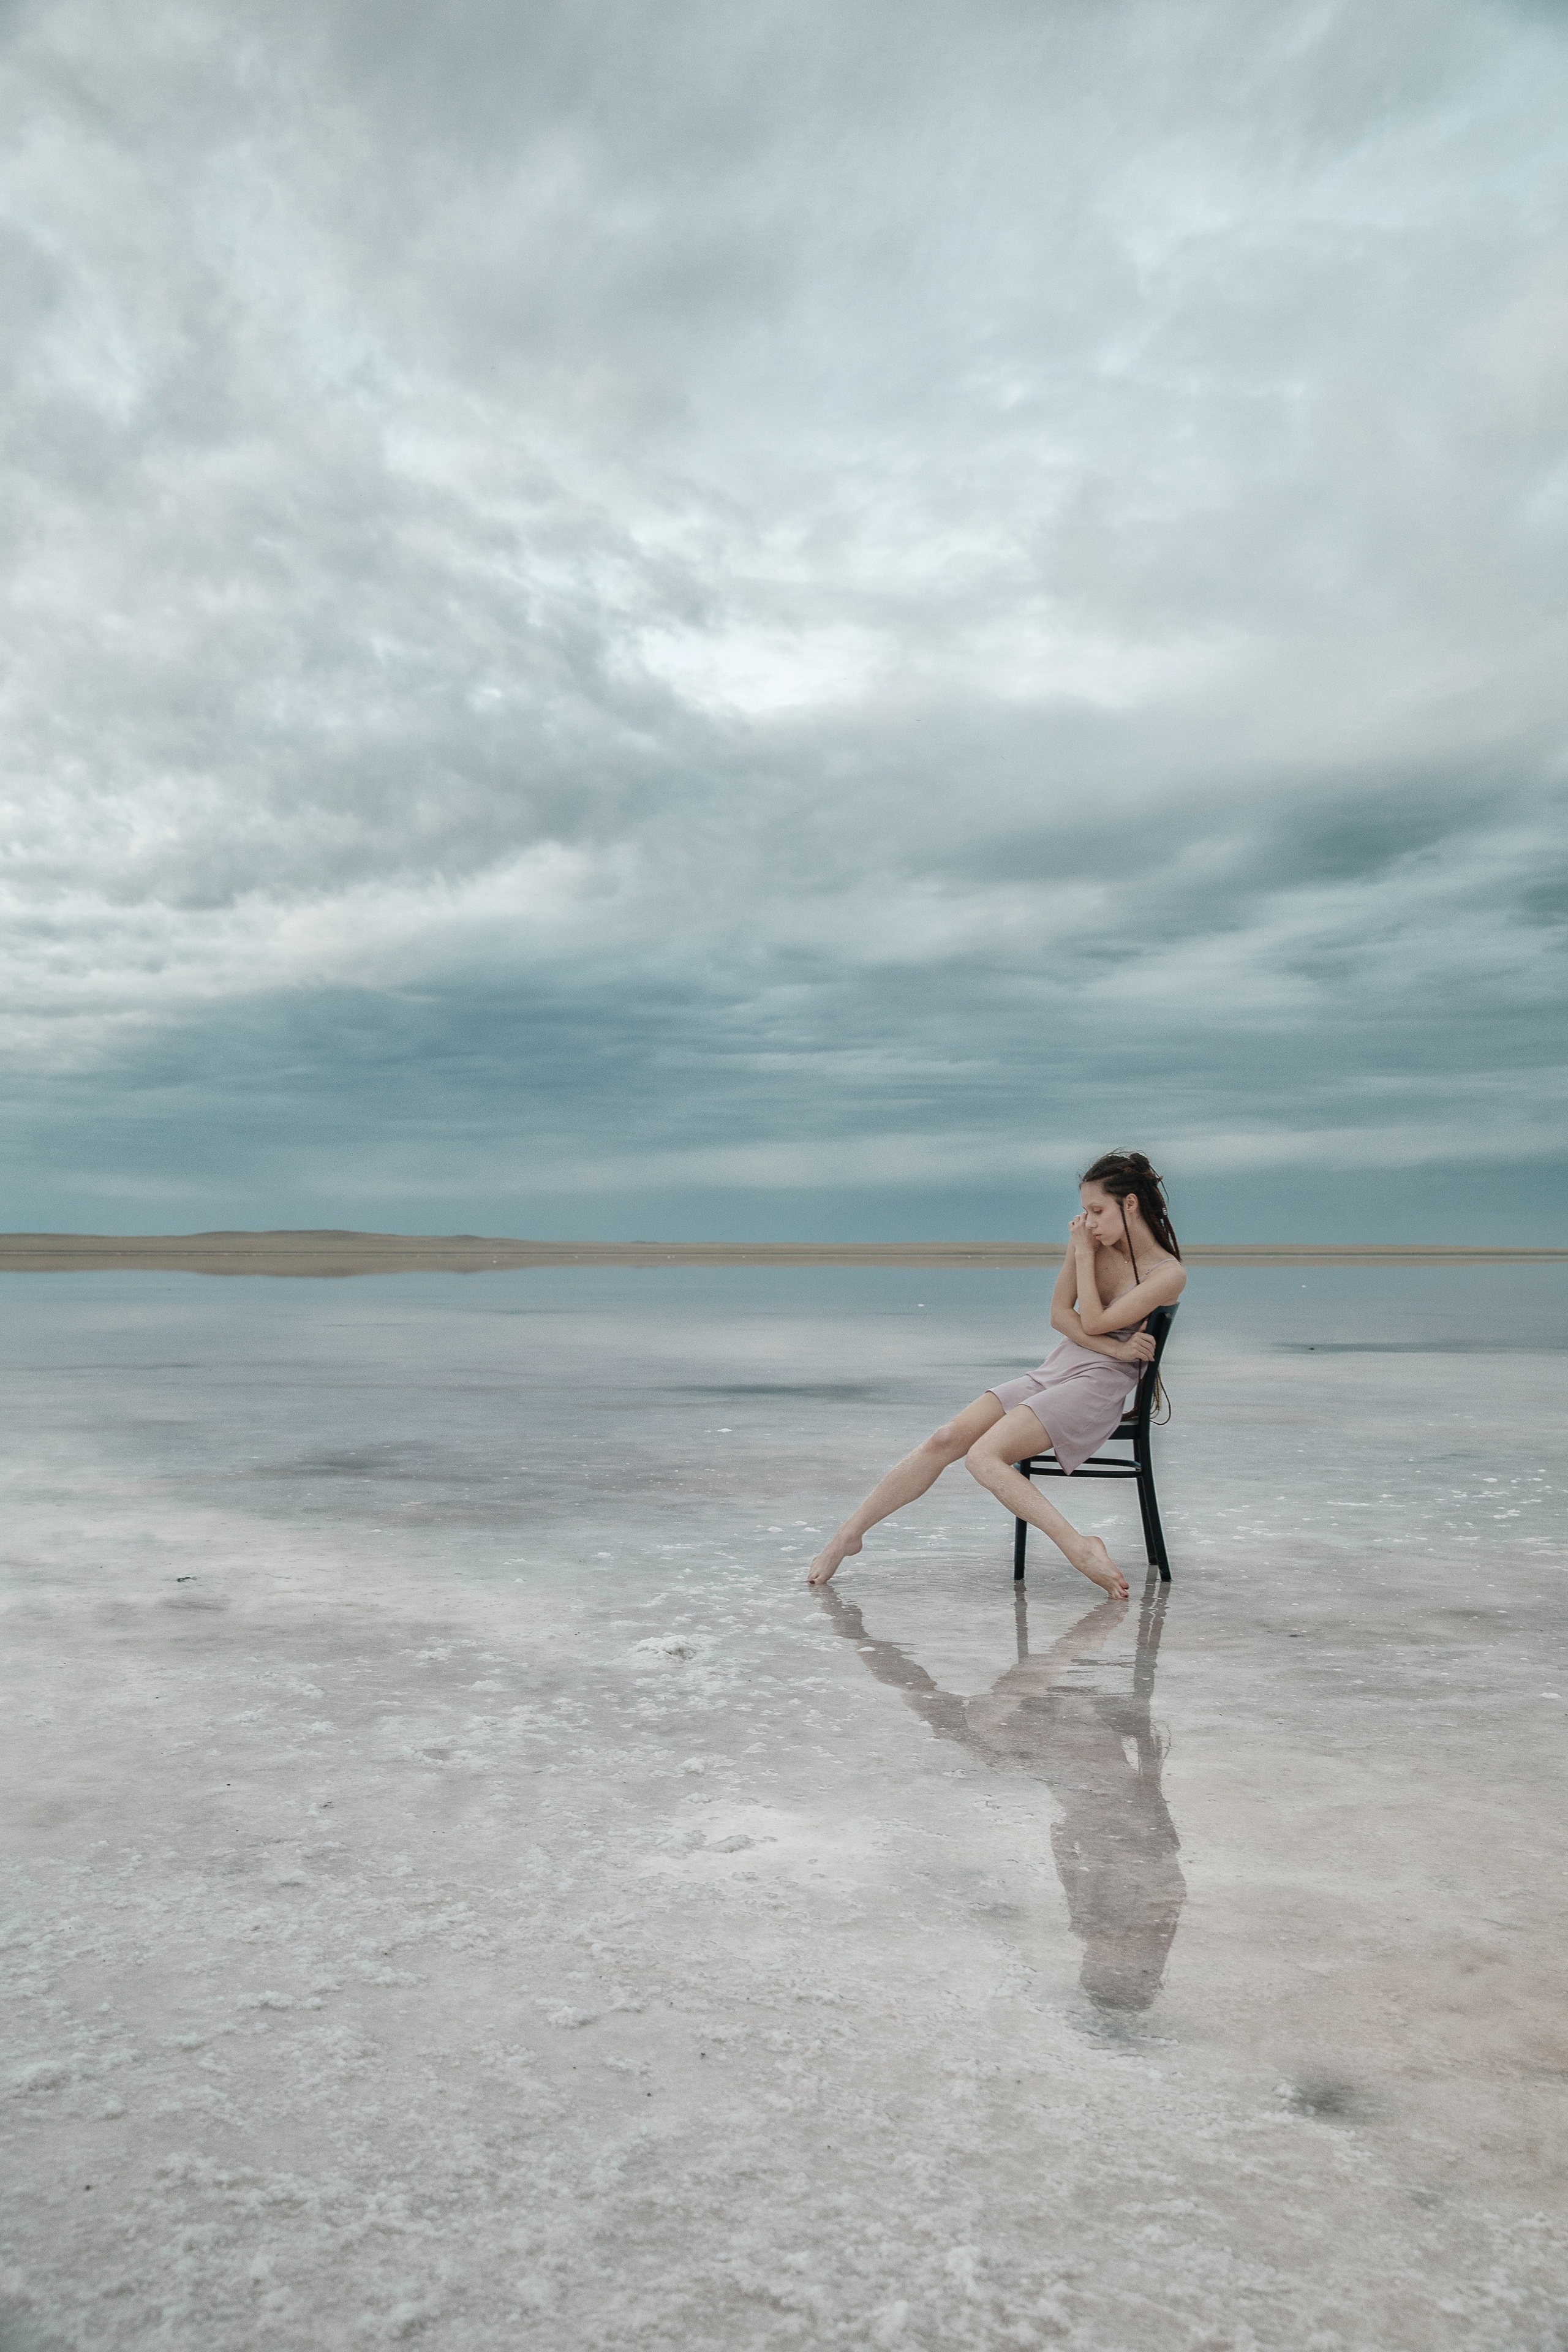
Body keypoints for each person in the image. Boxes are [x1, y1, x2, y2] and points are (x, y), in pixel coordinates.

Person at [807, 1152, 1186, 1601]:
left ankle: (1079, 1546)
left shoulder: (1168, 1274)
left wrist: (1084, 1257)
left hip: (1097, 1388)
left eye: (1097, 1211)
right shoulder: (1092, 1243)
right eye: (1084, 1211)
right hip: (1062, 1366)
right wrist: (1117, 1346)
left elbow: (1097, 1319)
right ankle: (848, 1536)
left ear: (1130, 1205)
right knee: (945, 1439)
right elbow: (1061, 1317)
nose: (1088, 1223)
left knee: (984, 1457)